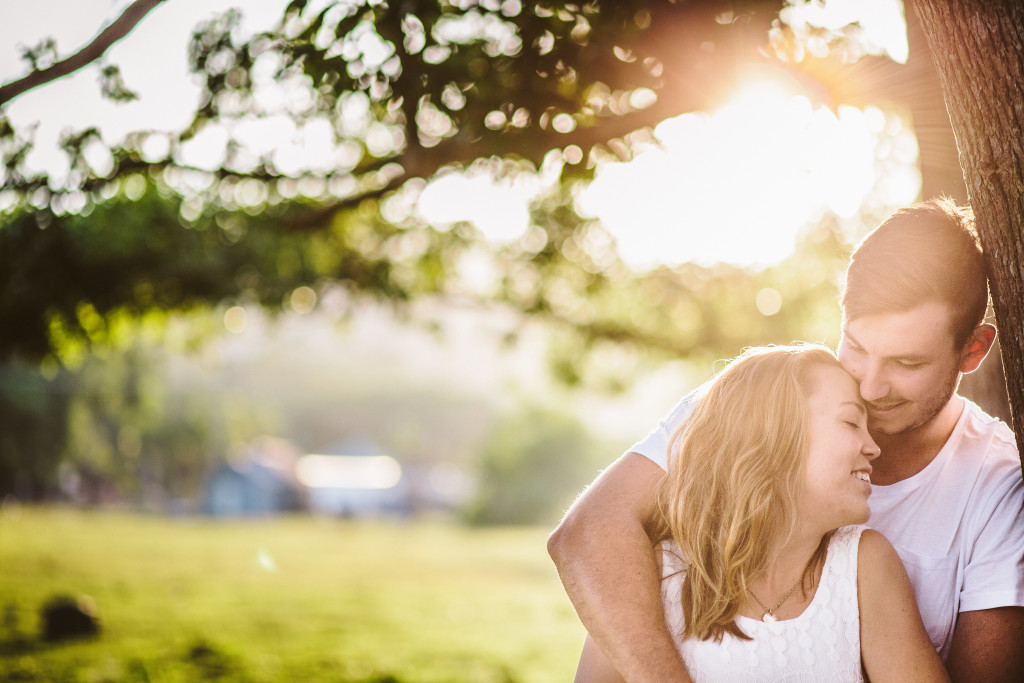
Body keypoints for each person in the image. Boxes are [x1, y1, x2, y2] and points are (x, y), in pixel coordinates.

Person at [549, 198, 1024, 682]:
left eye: (908, 364)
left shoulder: (994, 484)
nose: (870, 387)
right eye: (856, 347)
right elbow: (588, 533)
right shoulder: (764, 402)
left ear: (973, 349)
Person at [574, 344, 947, 682]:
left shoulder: (863, 564)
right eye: (851, 422)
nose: (873, 448)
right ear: (776, 436)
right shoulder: (656, 575)